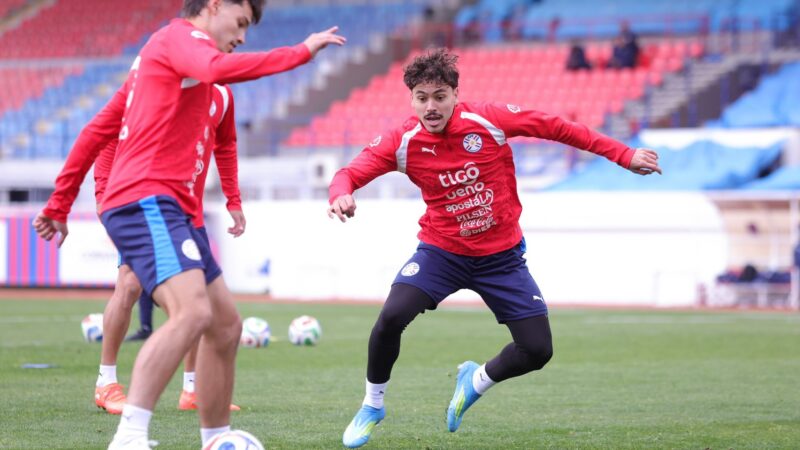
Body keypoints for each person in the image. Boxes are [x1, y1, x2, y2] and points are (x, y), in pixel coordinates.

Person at [34, 1, 345, 448]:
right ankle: (129, 436)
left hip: (177, 211)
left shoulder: (164, 68)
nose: (242, 37)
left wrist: (60, 203)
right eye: (240, 23)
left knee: (225, 325)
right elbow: (212, 69)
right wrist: (301, 51)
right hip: (146, 200)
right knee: (192, 312)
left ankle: (215, 438)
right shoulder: (178, 39)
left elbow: (97, 128)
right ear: (214, 5)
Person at [327, 49, 661, 449]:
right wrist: (341, 194)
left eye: (439, 96)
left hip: (501, 258)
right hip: (442, 254)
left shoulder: (488, 120)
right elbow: (348, 173)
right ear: (411, 99)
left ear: (455, 94)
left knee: (537, 350)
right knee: (391, 317)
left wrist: (623, 154)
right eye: (421, 97)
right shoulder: (402, 142)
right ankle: (372, 406)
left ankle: (476, 380)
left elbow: (556, 127)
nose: (431, 107)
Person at [34, 81, 245, 415]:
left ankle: (192, 389)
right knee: (131, 284)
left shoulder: (221, 95)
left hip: (188, 212)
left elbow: (226, 144)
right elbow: (106, 137)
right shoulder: (157, 81)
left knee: (199, 299)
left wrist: (233, 199)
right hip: (144, 205)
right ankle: (106, 383)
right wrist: (103, 196)